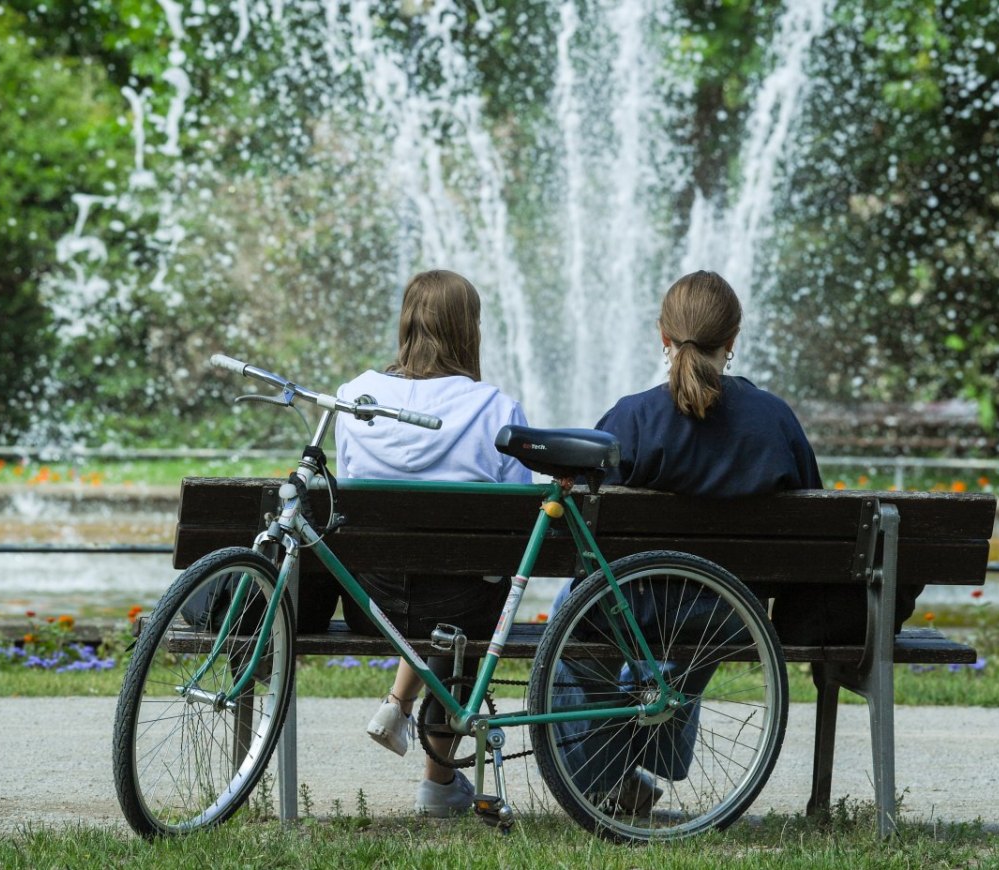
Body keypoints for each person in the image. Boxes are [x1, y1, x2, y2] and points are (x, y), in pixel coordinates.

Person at [549, 269, 825, 812]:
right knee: (680, 642)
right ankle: (644, 765)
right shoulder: (774, 421)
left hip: (624, 607)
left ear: (663, 337)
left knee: (575, 631)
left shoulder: (631, 418)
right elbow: (813, 518)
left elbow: (574, 528)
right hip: (728, 615)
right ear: (733, 340)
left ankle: (603, 779)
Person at [334, 269, 531, 817]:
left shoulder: (356, 398)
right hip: (461, 606)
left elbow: (344, 502)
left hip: (370, 603)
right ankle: (438, 782)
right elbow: (518, 527)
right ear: (470, 331)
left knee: (435, 582)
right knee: (464, 593)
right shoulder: (495, 408)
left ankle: (398, 705)